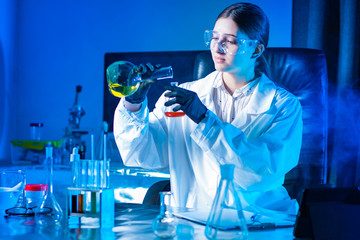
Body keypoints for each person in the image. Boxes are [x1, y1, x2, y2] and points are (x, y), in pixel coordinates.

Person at [114, 2, 302, 215]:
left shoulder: (283, 106)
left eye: (230, 41)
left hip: (260, 221)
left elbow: (259, 174)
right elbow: (141, 155)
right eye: (214, 37)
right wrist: (134, 104)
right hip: (194, 220)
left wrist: (204, 119)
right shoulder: (182, 97)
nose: (218, 47)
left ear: (256, 49)